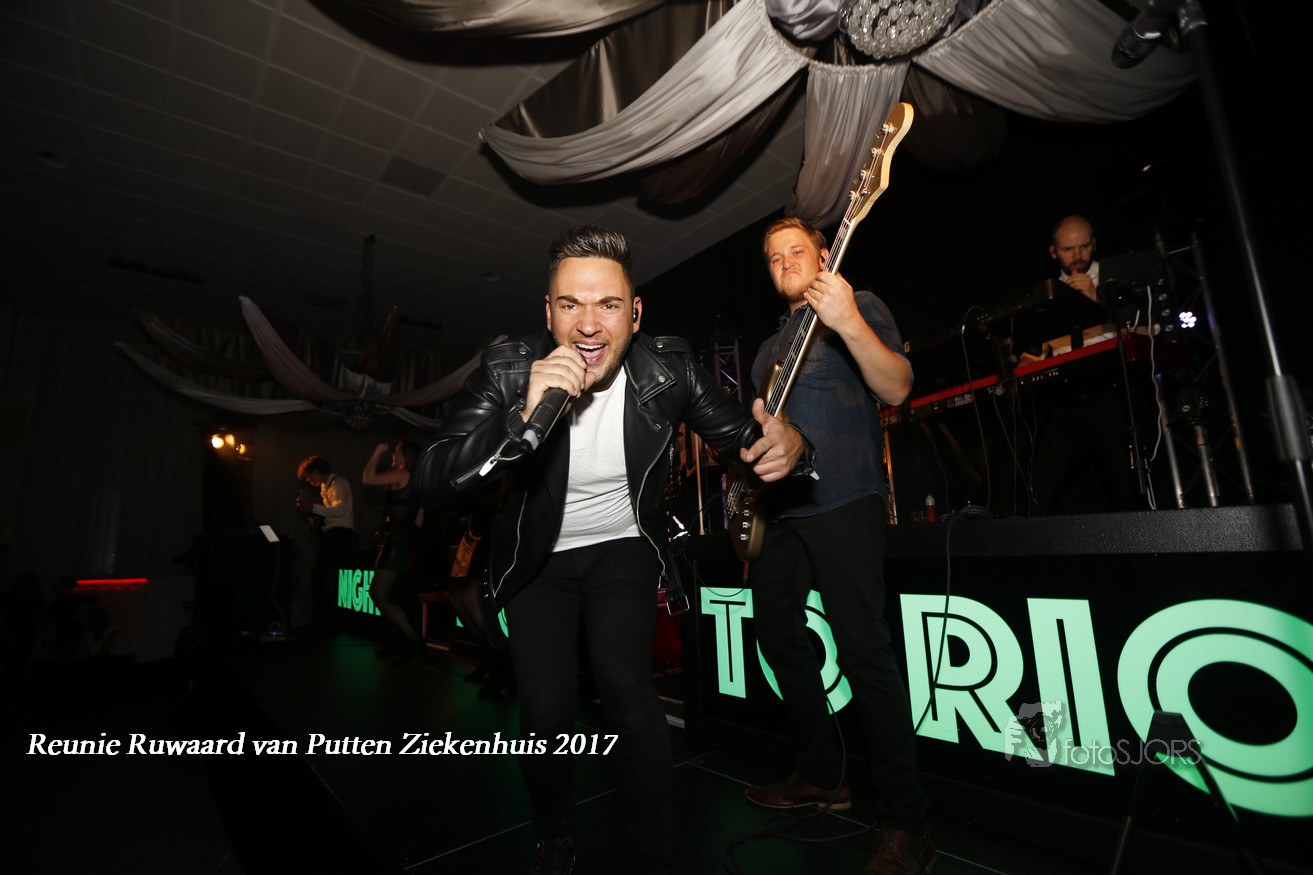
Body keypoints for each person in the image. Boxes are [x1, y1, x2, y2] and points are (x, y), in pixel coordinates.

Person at [413, 224, 809, 875]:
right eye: (570, 304)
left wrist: (793, 446)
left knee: (629, 693)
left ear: (636, 313)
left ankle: (652, 858)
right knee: (545, 713)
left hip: (622, 547)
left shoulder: (668, 369)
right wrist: (520, 418)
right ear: (548, 312)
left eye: (608, 304)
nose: (589, 325)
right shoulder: (509, 370)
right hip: (537, 557)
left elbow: (754, 438)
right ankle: (553, 838)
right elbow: (431, 477)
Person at [744, 216, 934, 875]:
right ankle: (822, 773)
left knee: (861, 650)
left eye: (796, 250)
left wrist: (847, 318)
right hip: (784, 510)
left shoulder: (858, 303)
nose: (785, 262)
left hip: (845, 496)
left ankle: (907, 823)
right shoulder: (766, 349)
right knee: (774, 628)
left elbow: (897, 386)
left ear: (823, 255)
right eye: (774, 257)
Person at [1023, 215, 1145, 514]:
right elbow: (1035, 354)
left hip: (1111, 391)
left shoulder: (1117, 278)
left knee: (1125, 488)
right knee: (1039, 490)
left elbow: (1144, 336)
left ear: (1095, 244)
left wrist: (1098, 304)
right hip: (1066, 397)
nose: (1078, 256)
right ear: (1054, 252)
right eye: (1068, 249)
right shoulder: (1049, 292)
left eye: (1084, 246)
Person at [361, 440, 426, 660]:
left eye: (396, 452)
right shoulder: (413, 478)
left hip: (398, 539)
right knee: (391, 594)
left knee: (378, 593)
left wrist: (377, 451)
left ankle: (415, 641)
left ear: (406, 455)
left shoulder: (403, 474)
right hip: (399, 537)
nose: (392, 455)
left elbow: (367, 478)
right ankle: (398, 642)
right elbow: (419, 517)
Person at [295, 456, 355, 633]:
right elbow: (333, 513)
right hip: (335, 535)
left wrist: (312, 508)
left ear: (316, 471)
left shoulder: (339, 483)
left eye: (308, 477)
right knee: (323, 578)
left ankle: (326, 621)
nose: (308, 481)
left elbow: (340, 510)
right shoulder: (326, 486)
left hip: (340, 536)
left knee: (324, 578)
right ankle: (325, 621)